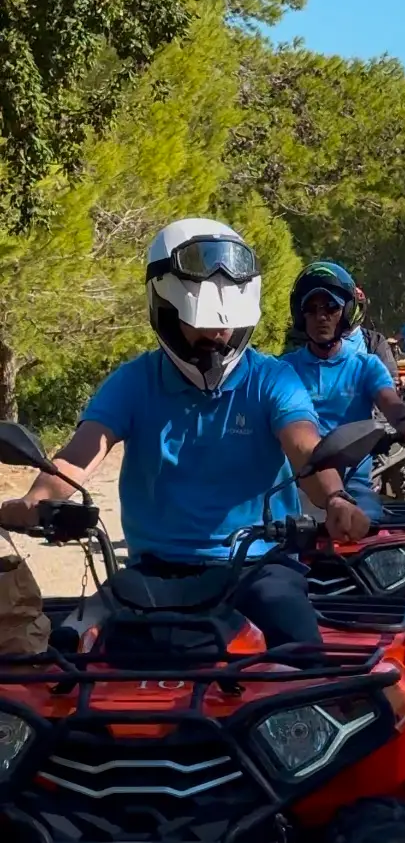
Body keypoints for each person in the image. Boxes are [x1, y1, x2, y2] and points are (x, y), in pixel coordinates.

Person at [0, 219, 376, 653]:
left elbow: (305, 447)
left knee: (304, 661)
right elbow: (79, 456)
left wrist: (335, 500)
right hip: (152, 573)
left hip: (258, 567)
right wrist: (33, 501)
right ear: (166, 313)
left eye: (228, 328)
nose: (219, 337)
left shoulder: (273, 379)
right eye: (204, 329)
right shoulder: (134, 382)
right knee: (66, 654)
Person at [285, 262, 405, 519]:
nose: (322, 317)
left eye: (331, 308)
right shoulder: (282, 370)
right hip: (291, 488)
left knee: (371, 537)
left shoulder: (366, 366)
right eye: (312, 309)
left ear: (347, 313)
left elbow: (389, 400)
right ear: (300, 315)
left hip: (353, 487)